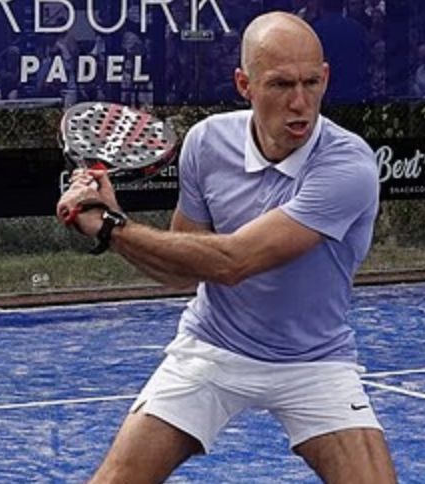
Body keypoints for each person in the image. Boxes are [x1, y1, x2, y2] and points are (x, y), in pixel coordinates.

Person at [57, 11, 397, 484]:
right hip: (213, 346)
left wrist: (111, 228)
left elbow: (234, 262)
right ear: (244, 85)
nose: (300, 102)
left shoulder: (348, 165)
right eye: (280, 84)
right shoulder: (207, 143)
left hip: (314, 361)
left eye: (311, 83)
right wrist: (111, 224)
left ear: (325, 77)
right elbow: (181, 273)